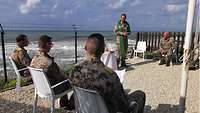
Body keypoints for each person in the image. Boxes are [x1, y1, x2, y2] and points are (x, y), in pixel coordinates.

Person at [68, 33, 145, 113]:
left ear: (85, 48)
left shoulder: (74, 70)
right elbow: (123, 106)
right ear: (103, 51)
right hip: (108, 109)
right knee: (140, 94)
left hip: (85, 109)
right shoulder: (110, 75)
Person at [30, 35, 71, 108]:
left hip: (40, 88)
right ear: (47, 44)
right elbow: (59, 76)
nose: (51, 46)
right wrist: (69, 78)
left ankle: (64, 103)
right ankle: (69, 105)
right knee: (70, 82)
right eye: (51, 44)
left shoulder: (34, 59)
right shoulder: (49, 62)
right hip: (51, 90)